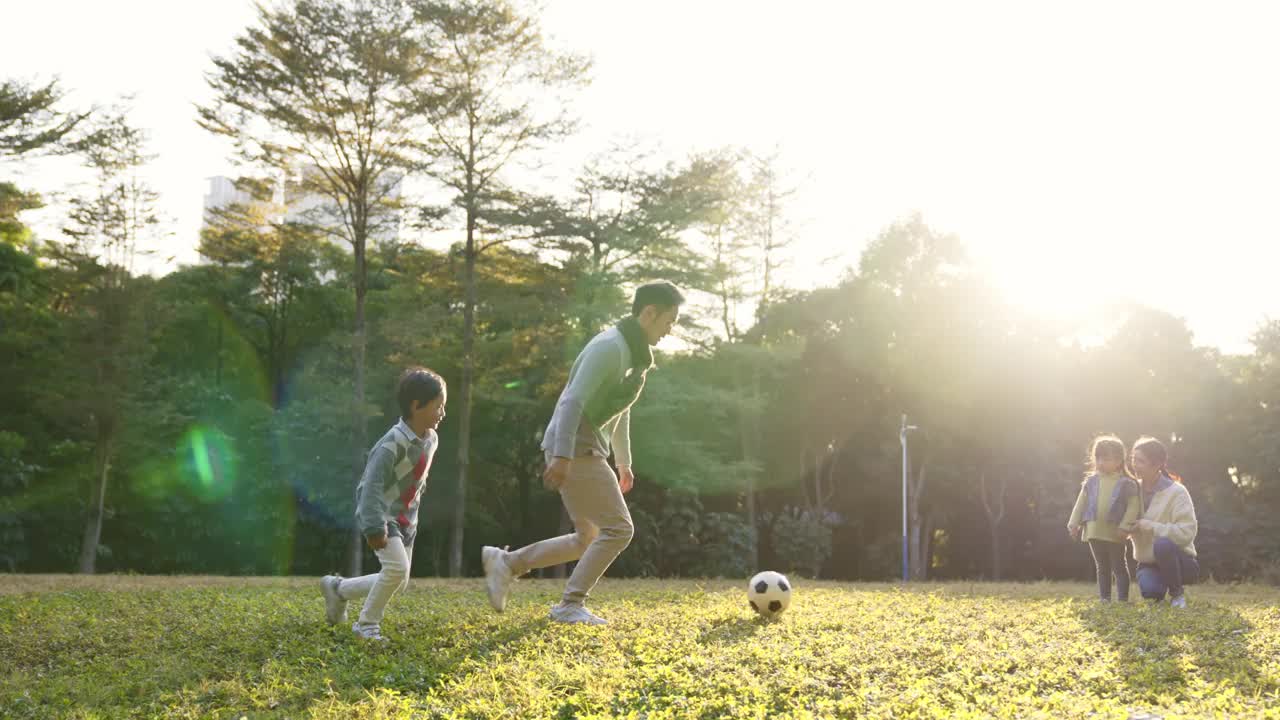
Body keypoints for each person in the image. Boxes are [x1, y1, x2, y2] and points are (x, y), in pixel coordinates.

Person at [480, 281, 684, 625]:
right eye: (669, 321)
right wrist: (562, 456)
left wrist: (624, 462)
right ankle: (569, 605)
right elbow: (572, 400)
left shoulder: (633, 354)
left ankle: (507, 563)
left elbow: (622, 409)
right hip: (575, 443)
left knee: (586, 538)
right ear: (649, 313)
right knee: (619, 530)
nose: (670, 330)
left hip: (585, 444)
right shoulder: (610, 347)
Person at [320, 367, 446, 640]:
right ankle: (366, 625)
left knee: (397, 580)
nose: (442, 413)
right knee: (397, 570)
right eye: (438, 407)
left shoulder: (431, 439)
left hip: (406, 518)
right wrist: (374, 526)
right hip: (381, 514)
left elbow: (417, 480)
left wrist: (411, 519)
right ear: (416, 406)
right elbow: (370, 488)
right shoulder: (391, 444)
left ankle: (338, 590)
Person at [1128, 436, 1199, 608]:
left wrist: (1152, 527)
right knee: (1151, 594)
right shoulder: (1131, 489)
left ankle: (1177, 594)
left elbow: (1187, 532)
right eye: (1133, 460)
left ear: (1157, 464)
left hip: (1181, 562)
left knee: (1162, 544)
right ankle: (1159, 586)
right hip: (1149, 562)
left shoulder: (1177, 492)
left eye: (1140, 461)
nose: (1134, 465)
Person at [1067, 435, 1140, 601]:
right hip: (1094, 530)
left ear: (1119, 460)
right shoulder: (1091, 481)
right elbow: (1081, 503)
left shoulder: (1127, 483)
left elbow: (1133, 506)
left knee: (1119, 567)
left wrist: (1124, 526)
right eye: (1098, 458)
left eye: (1106, 459)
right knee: (1102, 567)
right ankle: (1104, 598)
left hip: (1116, 532)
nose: (1100, 463)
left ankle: (1122, 599)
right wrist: (1073, 524)